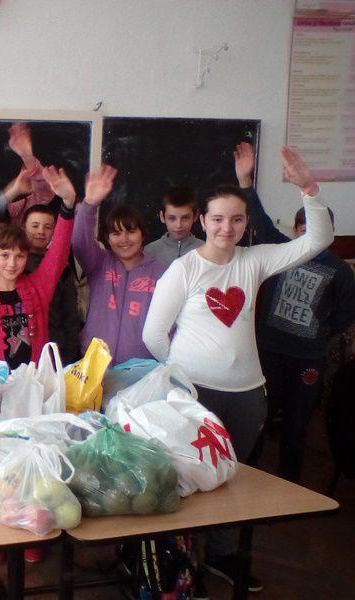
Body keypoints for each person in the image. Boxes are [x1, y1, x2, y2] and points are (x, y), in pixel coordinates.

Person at [142, 147, 334, 593]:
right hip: (194, 395)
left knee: (233, 475)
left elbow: (317, 241)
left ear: (246, 223)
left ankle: (222, 554)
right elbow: (154, 335)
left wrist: (308, 188)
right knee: (190, 479)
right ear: (203, 221)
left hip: (248, 395)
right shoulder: (184, 269)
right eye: (217, 219)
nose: (226, 228)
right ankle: (183, 565)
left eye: (236, 219)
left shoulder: (254, 260)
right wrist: (182, 373)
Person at [233, 141, 355, 482]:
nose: (308, 236)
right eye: (302, 230)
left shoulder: (340, 271)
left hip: (307, 358)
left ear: (328, 232)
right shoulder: (282, 250)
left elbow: (345, 313)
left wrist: (319, 335)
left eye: (315, 231)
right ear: (296, 231)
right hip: (270, 350)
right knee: (261, 415)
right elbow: (259, 220)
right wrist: (245, 182)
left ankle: (289, 483)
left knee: (297, 422)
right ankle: (250, 475)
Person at [0, 166, 76, 369]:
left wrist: (68, 206)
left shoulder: (37, 287)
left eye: (19, 256)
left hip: (36, 381)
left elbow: (58, 254)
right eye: (5, 255)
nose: (12, 264)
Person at [71, 165, 167, 365]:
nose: (124, 239)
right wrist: (89, 204)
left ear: (142, 234)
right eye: (116, 233)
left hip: (143, 368)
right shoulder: (99, 263)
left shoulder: (162, 272)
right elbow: (79, 242)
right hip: (94, 366)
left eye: (131, 231)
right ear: (107, 238)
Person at [22, 203, 82, 364]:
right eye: (35, 226)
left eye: (48, 227)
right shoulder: (12, 265)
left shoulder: (62, 267)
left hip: (55, 350)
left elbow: (70, 313)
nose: (41, 231)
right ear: (23, 227)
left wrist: (69, 355)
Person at [143, 186, 203, 264]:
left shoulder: (205, 250)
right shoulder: (149, 252)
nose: (178, 225)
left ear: (195, 216)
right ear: (162, 217)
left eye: (185, 218)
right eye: (172, 218)